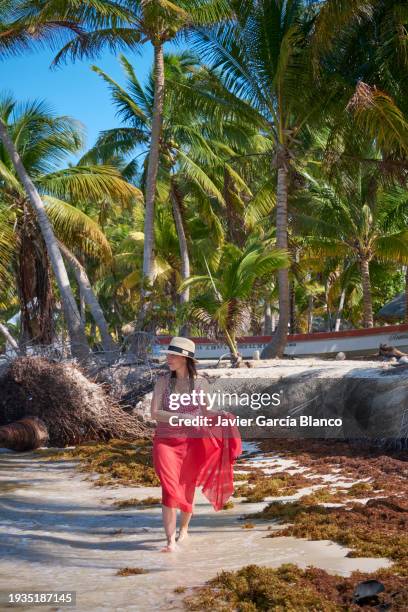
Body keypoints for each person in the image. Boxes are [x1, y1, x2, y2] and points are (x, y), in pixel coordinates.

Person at [150, 336, 242, 552]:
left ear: (185, 358)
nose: (169, 358)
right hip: (165, 442)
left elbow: (205, 413)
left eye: (173, 355)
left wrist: (221, 415)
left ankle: (184, 529)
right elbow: (155, 413)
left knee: (187, 486)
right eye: (168, 354)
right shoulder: (163, 381)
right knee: (170, 488)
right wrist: (182, 417)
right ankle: (170, 542)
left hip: (193, 441)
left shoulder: (200, 383)